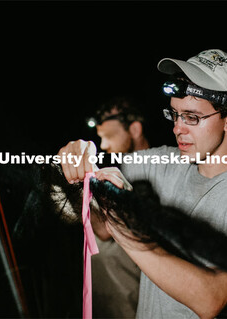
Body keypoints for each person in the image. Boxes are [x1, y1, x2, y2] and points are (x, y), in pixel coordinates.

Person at [58, 49, 227, 319]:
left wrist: (125, 230)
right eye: (174, 114)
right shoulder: (166, 162)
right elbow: (96, 171)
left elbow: (210, 298)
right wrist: (80, 154)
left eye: (192, 117)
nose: (178, 128)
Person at [91, 97, 150, 319]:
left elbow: (104, 232)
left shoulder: (161, 170)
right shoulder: (117, 171)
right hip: (110, 301)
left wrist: (85, 190)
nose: (104, 146)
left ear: (134, 129)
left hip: (139, 300)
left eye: (109, 137)